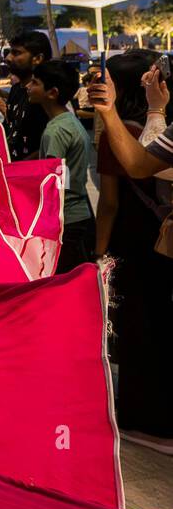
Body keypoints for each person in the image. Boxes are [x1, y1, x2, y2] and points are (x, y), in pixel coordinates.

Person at [90, 57, 173, 451]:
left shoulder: (119, 132)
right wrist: (156, 109)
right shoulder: (157, 127)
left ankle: (152, 422)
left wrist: (98, 254)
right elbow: (149, 165)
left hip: (136, 243)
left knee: (144, 330)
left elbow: (134, 173)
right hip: (156, 243)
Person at [27, 61, 94, 272]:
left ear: (52, 92)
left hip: (67, 220)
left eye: (35, 82)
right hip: (78, 216)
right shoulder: (68, 122)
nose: (28, 86)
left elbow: (53, 182)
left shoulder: (56, 131)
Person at [3, 31, 51, 159]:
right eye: (10, 52)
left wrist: (21, 167)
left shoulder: (48, 94)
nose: (8, 58)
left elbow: (53, 145)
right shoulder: (16, 89)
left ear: (38, 58)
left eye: (16, 53)